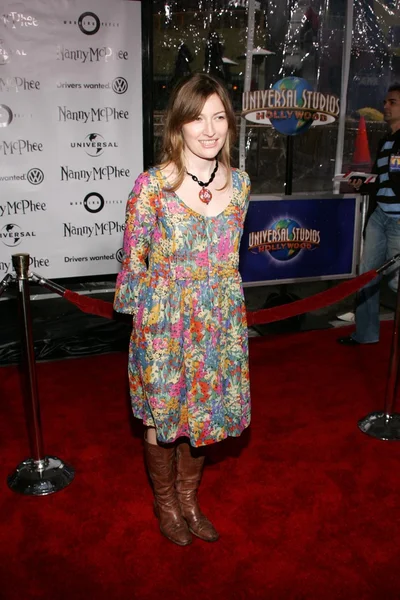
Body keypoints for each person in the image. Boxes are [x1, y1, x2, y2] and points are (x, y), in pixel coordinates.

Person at [114, 73, 251, 546]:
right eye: (197, 117)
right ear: (178, 125)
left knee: (203, 415)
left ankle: (190, 500)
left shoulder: (243, 184)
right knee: (162, 417)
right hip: (164, 323)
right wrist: (143, 333)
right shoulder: (152, 186)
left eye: (219, 117)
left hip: (219, 322)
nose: (209, 129)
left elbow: (230, 259)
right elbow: (132, 261)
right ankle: (166, 503)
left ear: (230, 124)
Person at [338, 84, 400, 346]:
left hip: (398, 221)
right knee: (367, 276)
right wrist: (362, 183)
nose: (385, 106)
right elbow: (384, 180)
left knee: (397, 284)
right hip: (379, 217)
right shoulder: (387, 140)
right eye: (386, 102)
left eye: (392, 102)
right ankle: (365, 334)